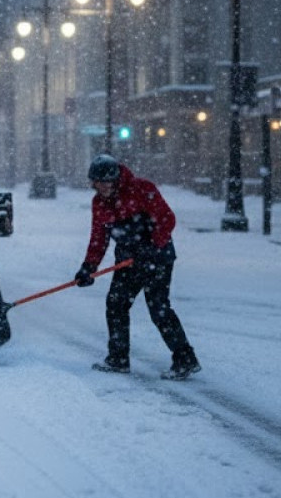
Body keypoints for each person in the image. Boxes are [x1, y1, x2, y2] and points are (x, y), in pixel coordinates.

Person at [74, 154, 200, 380]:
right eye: (97, 183)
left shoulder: (142, 189)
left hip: (157, 258)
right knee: (116, 304)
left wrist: (151, 246)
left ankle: (185, 359)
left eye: (105, 183)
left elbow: (167, 219)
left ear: (115, 179)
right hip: (127, 261)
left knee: (159, 309)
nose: (101, 188)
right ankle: (118, 358)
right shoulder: (99, 203)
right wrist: (88, 266)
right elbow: (99, 238)